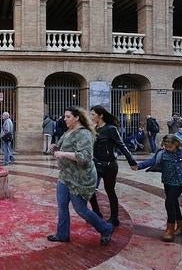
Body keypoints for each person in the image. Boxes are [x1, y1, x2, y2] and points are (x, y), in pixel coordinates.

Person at [47, 106, 115, 245]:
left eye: (68, 117)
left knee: (81, 209)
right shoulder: (69, 131)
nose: (64, 119)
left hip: (81, 178)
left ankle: (106, 228)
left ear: (77, 117)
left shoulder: (84, 134)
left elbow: (85, 157)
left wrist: (63, 154)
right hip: (66, 175)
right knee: (62, 205)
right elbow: (63, 147)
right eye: (65, 116)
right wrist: (55, 147)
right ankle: (62, 234)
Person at [133, 135, 182, 242]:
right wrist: (139, 166)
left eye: (170, 147)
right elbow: (151, 161)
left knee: (169, 202)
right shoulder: (161, 154)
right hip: (167, 181)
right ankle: (180, 226)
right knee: (174, 203)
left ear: (176, 144)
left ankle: (170, 229)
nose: (167, 149)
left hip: (180, 182)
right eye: (166, 147)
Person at [89, 105, 138, 227]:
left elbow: (121, 145)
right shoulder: (93, 129)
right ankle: (96, 214)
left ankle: (114, 218)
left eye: (93, 114)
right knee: (90, 190)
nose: (91, 117)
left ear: (100, 115)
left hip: (110, 165)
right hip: (96, 163)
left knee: (110, 191)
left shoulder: (110, 129)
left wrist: (131, 160)